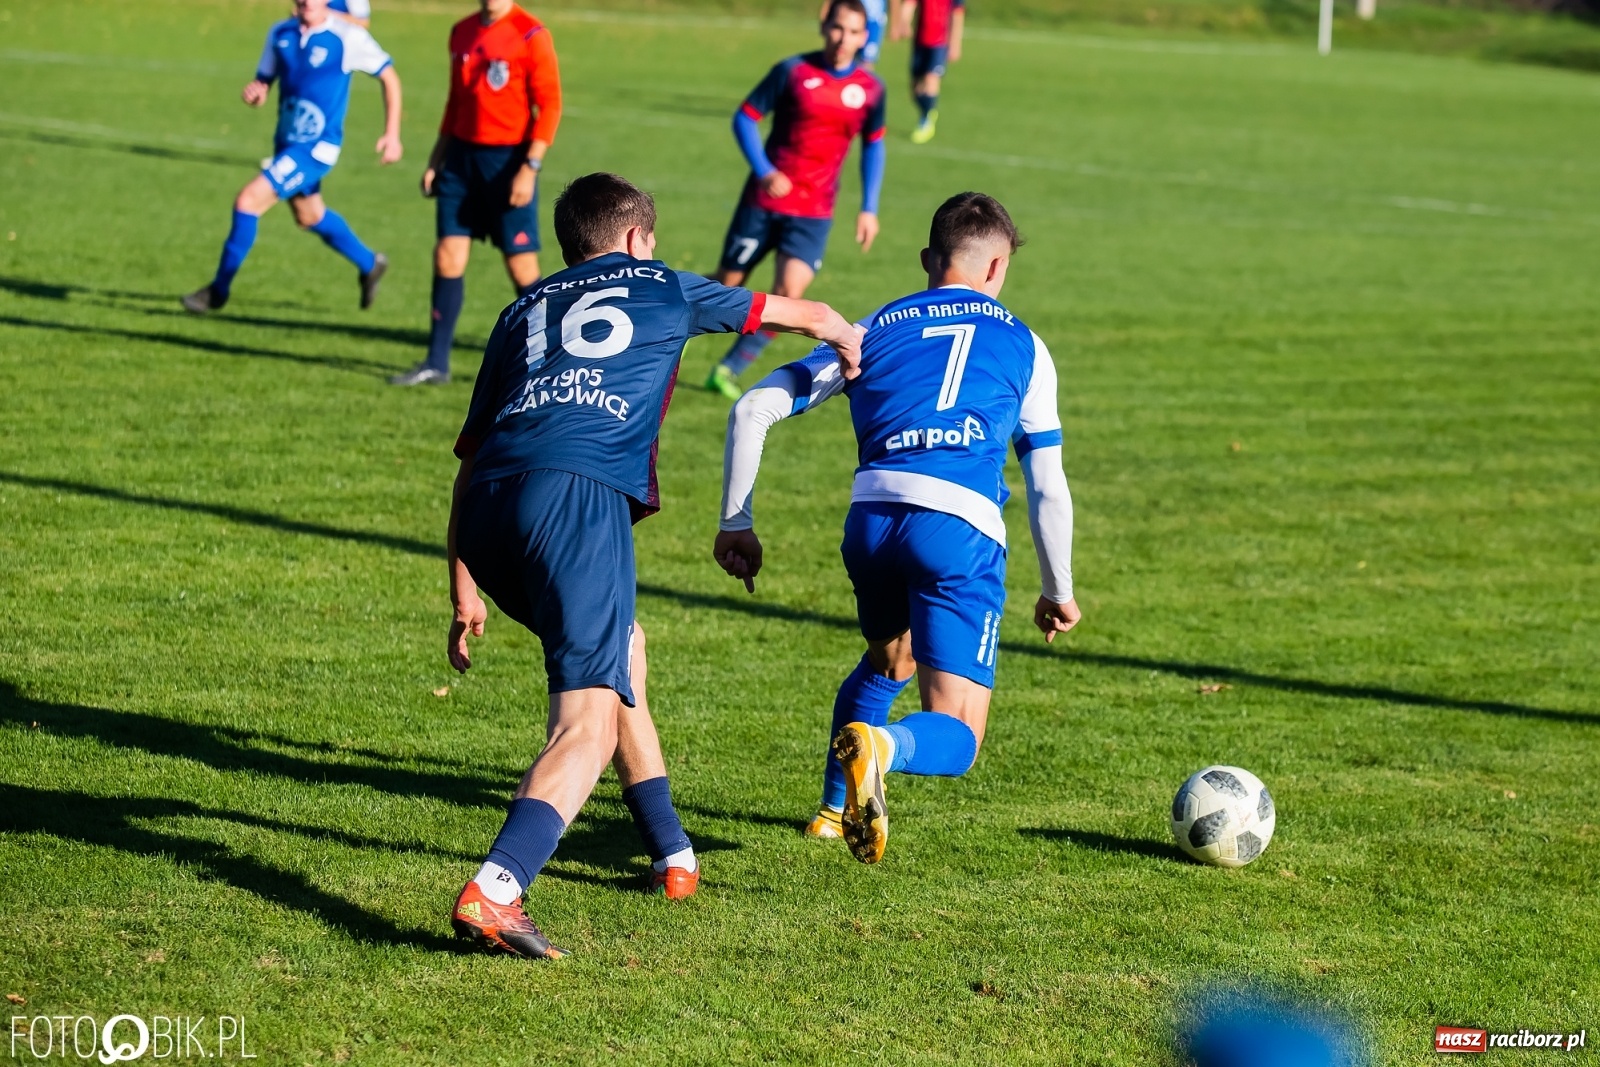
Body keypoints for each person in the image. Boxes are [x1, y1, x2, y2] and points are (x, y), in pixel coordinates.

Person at [446, 173, 864, 957]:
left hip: (490, 512)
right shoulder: (660, 283)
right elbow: (798, 312)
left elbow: (467, 463)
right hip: (576, 496)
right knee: (587, 721)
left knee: (620, 651)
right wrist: (849, 341)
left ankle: (672, 854)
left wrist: (462, 586)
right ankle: (497, 889)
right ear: (638, 239)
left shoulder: (519, 308)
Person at [713, 192, 1080, 864]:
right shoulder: (1025, 343)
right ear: (996, 267)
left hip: (871, 519)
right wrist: (1059, 589)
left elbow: (754, 408)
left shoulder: (870, 325)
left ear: (926, 261)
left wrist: (736, 520)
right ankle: (885, 748)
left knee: (891, 659)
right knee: (958, 732)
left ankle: (830, 812)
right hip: (957, 528)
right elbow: (1046, 486)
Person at [703, 0, 886, 400]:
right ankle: (674, 329)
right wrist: (766, 171)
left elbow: (874, 146)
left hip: (814, 211)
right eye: (838, 28)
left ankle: (728, 369)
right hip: (763, 203)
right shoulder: (792, 72)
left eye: (854, 32)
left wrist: (869, 207)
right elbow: (745, 117)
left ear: (865, 37)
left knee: (790, 292)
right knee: (728, 284)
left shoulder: (871, 90)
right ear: (825, 26)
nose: (843, 39)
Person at [182, 0, 401, 316]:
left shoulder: (346, 37)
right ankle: (370, 264)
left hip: (317, 149)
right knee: (309, 216)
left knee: (247, 201)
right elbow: (264, 82)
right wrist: (257, 93)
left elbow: (389, 77)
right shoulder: (280, 32)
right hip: (286, 144)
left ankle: (217, 291)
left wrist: (391, 134)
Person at [389, 0, 562, 387]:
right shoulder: (461, 31)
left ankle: (549, 363)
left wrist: (529, 167)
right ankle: (437, 363)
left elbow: (549, 106)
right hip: (461, 159)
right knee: (447, 256)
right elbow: (456, 102)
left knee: (521, 266)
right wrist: (437, 159)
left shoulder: (531, 34)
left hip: (508, 163)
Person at [891, 0, 963, 143]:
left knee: (931, 79)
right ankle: (927, 110)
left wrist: (955, 43)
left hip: (939, 43)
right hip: (920, 41)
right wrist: (904, 23)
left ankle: (927, 120)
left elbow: (957, 14)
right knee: (915, 89)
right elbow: (910, 4)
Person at [818, 0, 887, 67]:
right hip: (851, 14)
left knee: (867, 59)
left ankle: (859, 77)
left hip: (874, 19)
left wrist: (896, 20)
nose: (844, 39)